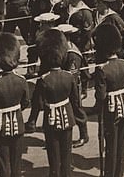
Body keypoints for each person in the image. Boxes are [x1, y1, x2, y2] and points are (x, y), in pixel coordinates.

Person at [26, 29, 88, 177]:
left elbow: (38, 101)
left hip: (51, 119)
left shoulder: (43, 80)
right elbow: (76, 102)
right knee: (66, 155)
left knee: (53, 155)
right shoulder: (68, 77)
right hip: (68, 118)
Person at [92, 23, 124, 177]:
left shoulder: (102, 69)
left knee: (111, 145)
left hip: (111, 110)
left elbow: (101, 96)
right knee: (121, 145)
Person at [0, 33, 28, 177]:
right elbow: (25, 102)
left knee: (4, 162)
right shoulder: (21, 80)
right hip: (18, 123)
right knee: (16, 162)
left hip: (0, 125)